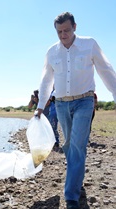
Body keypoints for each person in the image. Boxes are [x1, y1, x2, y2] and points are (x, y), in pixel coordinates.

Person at [34, 12, 116, 209]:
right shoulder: (52, 52)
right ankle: (77, 178)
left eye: (67, 30)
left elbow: (106, 70)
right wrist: (40, 107)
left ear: (75, 27)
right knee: (69, 146)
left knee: (78, 145)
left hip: (85, 101)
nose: (63, 35)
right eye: (59, 32)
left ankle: (71, 196)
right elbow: (46, 80)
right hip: (61, 103)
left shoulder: (90, 44)